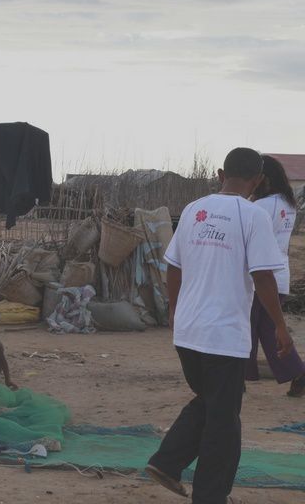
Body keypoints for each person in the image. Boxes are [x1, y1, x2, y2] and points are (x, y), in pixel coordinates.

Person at [145, 148, 294, 503]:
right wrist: (280, 325)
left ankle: (168, 463)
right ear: (258, 181)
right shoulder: (252, 214)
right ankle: (207, 493)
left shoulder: (195, 210)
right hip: (223, 335)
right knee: (223, 421)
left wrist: (175, 309)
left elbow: (174, 266)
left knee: (214, 404)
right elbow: (263, 276)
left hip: (188, 333)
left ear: (218, 173)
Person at [246, 155, 305, 397]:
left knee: (245, 329)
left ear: (263, 179)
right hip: (279, 276)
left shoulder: (260, 207)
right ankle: (298, 373)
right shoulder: (287, 203)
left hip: (259, 278)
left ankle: (235, 377)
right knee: (268, 331)